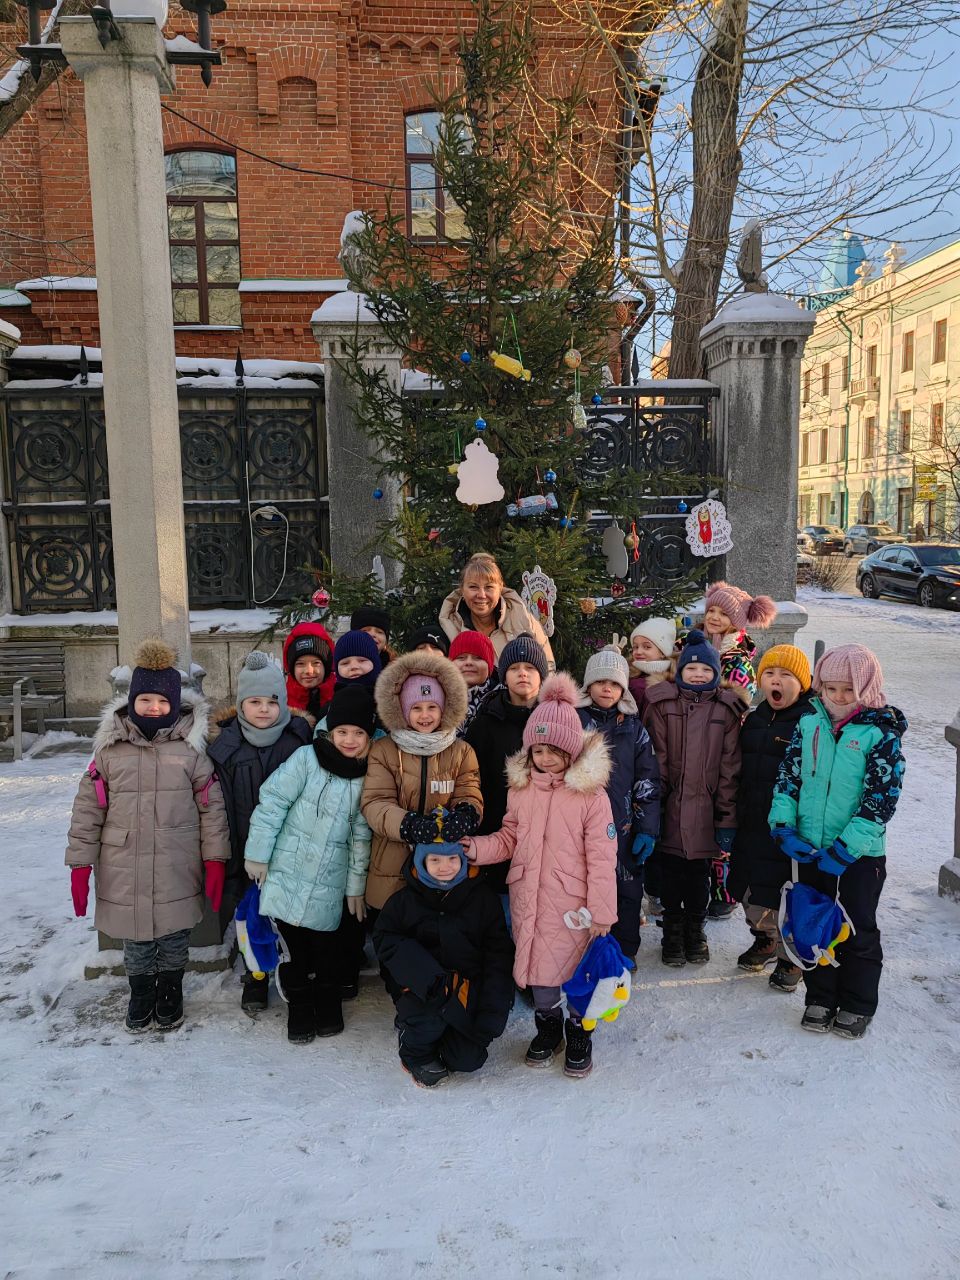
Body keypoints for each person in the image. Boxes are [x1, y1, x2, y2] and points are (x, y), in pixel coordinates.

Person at [66, 640, 229, 1034]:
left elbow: (212, 809)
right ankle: (141, 993)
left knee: (174, 935)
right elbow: (89, 808)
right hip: (124, 862)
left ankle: (171, 990)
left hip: (177, 860)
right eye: (145, 701)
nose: (153, 708)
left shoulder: (191, 751)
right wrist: (80, 864)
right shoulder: (109, 751)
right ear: (132, 701)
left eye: (161, 701)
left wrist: (215, 859)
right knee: (137, 940)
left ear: (174, 704)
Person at [463, 674, 618, 1079]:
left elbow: (603, 857)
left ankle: (579, 1030)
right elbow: (511, 836)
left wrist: (602, 911)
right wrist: (478, 848)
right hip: (530, 894)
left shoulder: (590, 797)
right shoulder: (521, 790)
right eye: (538, 749)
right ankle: (548, 1027)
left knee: (577, 973)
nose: (545, 758)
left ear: (571, 751)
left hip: (575, 905)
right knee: (540, 974)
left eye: (554, 750)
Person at [769, 644, 906, 1038]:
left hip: (858, 856)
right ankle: (821, 997)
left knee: (855, 928)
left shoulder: (879, 733)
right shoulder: (809, 723)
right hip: (811, 847)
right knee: (814, 923)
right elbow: (789, 777)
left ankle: (857, 1003)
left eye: (848, 690)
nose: (839, 698)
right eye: (831, 689)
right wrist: (783, 824)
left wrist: (848, 848)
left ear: (867, 687)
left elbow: (880, 798)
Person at [243, 685, 376, 1044]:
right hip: (287, 873)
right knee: (294, 952)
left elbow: (361, 838)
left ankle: (328, 1001)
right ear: (330, 731)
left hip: (330, 885)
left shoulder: (367, 777)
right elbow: (272, 804)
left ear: (369, 736)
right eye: (342, 731)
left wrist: (355, 888)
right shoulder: (306, 759)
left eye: (358, 733)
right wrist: (258, 854)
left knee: (327, 952)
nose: (349, 740)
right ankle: (299, 1005)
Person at [207, 651, 313, 1013]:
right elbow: (215, 802)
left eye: (272, 701)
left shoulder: (298, 742)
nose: (264, 709)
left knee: (285, 916)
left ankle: (289, 968)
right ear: (240, 705)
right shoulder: (226, 748)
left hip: (288, 850)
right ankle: (254, 977)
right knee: (248, 916)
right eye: (255, 702)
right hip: (242, 851)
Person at [373, 837, 515, 1088]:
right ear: (421, 861)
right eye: (435, 860)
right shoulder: (404, 901)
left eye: (452, 859)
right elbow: (387, 941)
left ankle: (448, 1035)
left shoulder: (482, 899)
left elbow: (498, 955)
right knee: (427, 1023)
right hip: (422, 988)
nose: (445, 867)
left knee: (468, 1058)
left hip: (467, 987)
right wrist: (425, 978)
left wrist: (492, 1012)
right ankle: (414, 1049)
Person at [643, 630, 742, 968]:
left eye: (706, 671)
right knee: (671, 875)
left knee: (699, 876)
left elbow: (730, 770)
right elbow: (654, 761)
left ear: (716, 674)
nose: (698, 675)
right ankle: (672, 930)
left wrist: (726, 819)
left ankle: (695, 930)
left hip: (706, 812)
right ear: (680, 671)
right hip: (669, 810)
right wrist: (651, 815)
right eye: (691, 669)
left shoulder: (726, 711)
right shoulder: (662, 705)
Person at [361, 650, 483, 918]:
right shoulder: (384, 750)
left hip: (443, 864)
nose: (425, 715)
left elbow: (469, 790)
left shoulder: (461, 752)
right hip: (392, 864)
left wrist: (466, 812)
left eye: (432, 707)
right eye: (416, 708)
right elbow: (375, 802)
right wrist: (409, 824)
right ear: (404, 711)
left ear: (444, 709)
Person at [726, 646, 814, 993]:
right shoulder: (756, 717)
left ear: (803, 683)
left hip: (787, 829)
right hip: (751, 819)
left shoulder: (809, 722)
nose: (776, 681)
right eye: (769, 674)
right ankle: (763, 939)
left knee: (784, 892)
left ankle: (790, 956)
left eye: (786, 676)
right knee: (748, 887)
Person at [577, 646, 660, 964]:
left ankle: (625, 951)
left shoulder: (635, 729)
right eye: (600, 682)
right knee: (586, 888)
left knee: (626, 890)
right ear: (588, 686)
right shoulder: (575, 722)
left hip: (623, 826)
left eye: (614, 683)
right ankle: (586, 950)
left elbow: (648, 781)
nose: (607, 688)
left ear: (623, 688)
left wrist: (647, 829)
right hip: (582, 827)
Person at [464, 633, 548, 899]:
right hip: (496, 832)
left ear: (542, 675)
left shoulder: (557, 719)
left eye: (530, 668)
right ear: (504, 675)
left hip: (545, 837)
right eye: (514, 668)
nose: (522, 674)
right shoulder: (485, 722)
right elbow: (473, 777)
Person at [439, 551, 555, 669]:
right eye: (473, 587)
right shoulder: (448, 626)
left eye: (489, 587)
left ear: (500, 588)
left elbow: (548, 667)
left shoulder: (524, 620)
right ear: (462, 590)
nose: (481, 595)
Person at [702, 581, 777, 703]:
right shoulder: (691, 644)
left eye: (724, 614)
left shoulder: (739, 664)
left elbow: (737, 707)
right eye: (711, 610)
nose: (714, 617)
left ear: (736, 622)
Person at [282, 620, 335, 725]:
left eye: (316, 663)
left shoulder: (338, 698)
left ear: (327, 666)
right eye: (300, 664)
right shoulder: (282, 702)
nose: (309, 671)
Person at [449, 629, 498, 735]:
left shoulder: (503, 700)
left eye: (477, 658)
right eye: (461, 658)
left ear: (489, 666)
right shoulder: (436, 699)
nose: (469, 662)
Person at [628, 616, 677, 716]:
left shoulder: (676, 679)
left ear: (662, 652)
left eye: (646, 647)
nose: (638, 652)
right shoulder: (625, 674)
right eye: (635, 647)